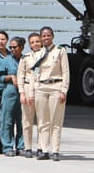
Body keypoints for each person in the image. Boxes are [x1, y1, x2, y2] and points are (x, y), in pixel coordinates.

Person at [34, 26, 69, 161]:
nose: (46, 38)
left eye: (48, 35)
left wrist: (63, 90)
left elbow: (65, 72)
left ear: (52, 36)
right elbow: (35, 72)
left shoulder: (61, 51)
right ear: (41, 38)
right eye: (43, 36)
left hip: (56, 86)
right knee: (43, 121)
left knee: (56, 120)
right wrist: (36, 87)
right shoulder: (38, 53)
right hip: (42, 87)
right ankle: (44, 149)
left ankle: (55, 150)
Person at [0, 36, 25, 156]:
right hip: (10, 92)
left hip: (24, 92)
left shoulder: (27, 59)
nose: (12, 49)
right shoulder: (7, 60)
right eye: (11, 47)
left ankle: (21, 146)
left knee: (22, 120)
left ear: (21, 47)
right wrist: (11, 77)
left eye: (15, 47)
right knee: (7, 120)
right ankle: (7, 146)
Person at [18, 32, 42, 158]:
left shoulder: (46, 55)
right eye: (32, 42)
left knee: (42, 121)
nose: (35, 44)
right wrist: (22, 93)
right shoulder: (25, 57)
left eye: (37, 41)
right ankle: (27, 147)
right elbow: (20, 76)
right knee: (27, 120)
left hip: (41, 88)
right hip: (27, 88)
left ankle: (40, 147)